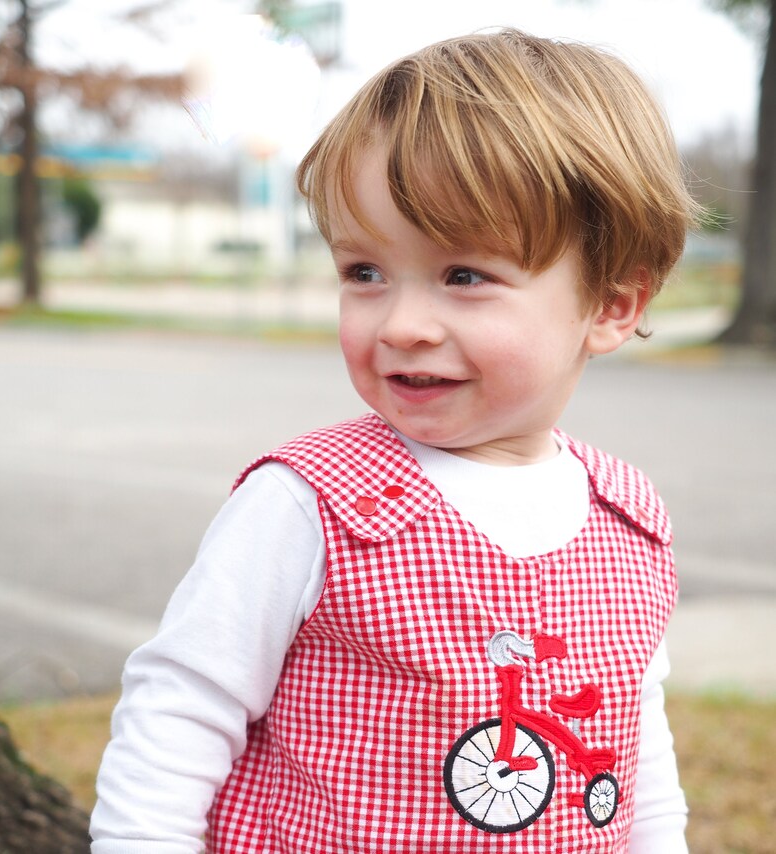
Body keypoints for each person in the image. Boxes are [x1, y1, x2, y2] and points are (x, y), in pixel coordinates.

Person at [91, 29, 696, 853]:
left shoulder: (626, 520)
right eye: (364, 272)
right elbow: (180, 708)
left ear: (613, 305)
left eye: (465, 276)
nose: (403, 325)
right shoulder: (312, 503)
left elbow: (640, 748)